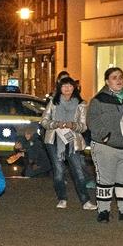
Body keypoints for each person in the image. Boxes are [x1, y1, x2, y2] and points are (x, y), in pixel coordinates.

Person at [87, 67, 123, 223]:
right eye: (114, 77)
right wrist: (105, 137)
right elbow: (92, 122)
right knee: (105, 180)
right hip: (106, 147)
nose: (119, 80)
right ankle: (103, 211)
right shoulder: (99, 100)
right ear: (107, 81)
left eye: (121, 77)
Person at [39, 76, 91, 209]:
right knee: (59, 171)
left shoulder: (81, 104)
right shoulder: (53, 103)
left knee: (78, 170)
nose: (67, 89)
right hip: (54, 140)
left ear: (74, 87)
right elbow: (44, 121)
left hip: (72, 140)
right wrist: (56, 124)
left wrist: (73, 125)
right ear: (59, 88)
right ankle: (62, 198)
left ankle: (85, 201)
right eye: (64, 86)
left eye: (70, 86)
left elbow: (84, 126)